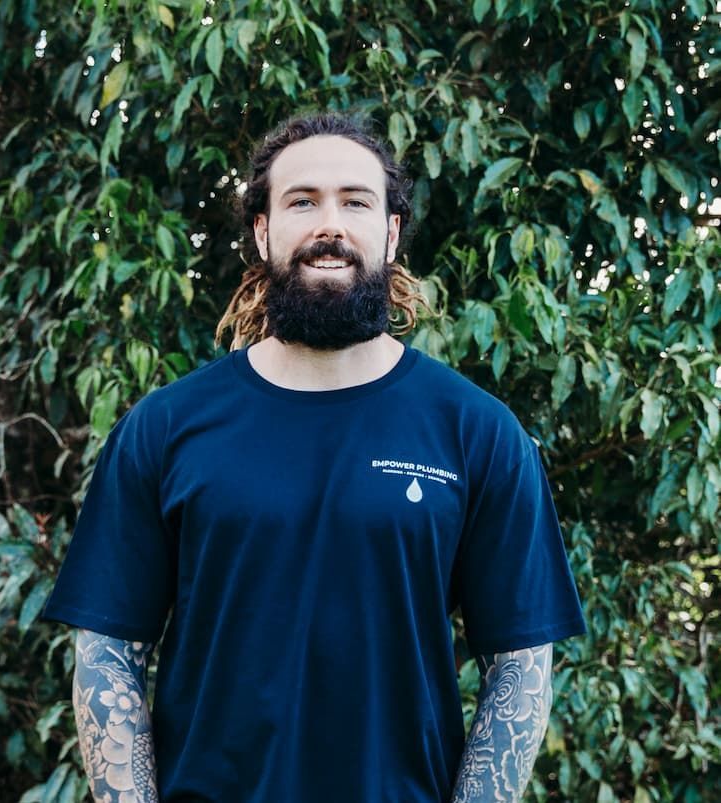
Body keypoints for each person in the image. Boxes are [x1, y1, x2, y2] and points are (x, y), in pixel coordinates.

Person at [43, 113, 586, 803]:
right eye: (301, 201)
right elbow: (108, 654)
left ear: (389, 234)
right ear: (262, 231)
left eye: (354, 201)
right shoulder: (166, 428)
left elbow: (518, 666)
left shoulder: (476, 432)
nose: (328, 224)